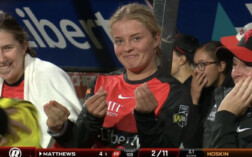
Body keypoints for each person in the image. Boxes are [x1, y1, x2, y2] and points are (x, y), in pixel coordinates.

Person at [44, 3, 190, 148]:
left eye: (136, 38)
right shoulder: (101, 83)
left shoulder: (176, 93)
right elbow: (80, 146)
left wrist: (146, 118)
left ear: (156, 39)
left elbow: (166, 151)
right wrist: (63, 127)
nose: (127, 48)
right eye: (119, 41)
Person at [0, 13, 82, 148]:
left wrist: (60, 128)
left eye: (8, 48)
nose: (2, 59)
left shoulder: (48, 74)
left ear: (23, 47)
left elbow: (79, 137)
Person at [182, 41, 234, 148]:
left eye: (202, 65)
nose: (196, 71)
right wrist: (194, 99)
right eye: (195, 65)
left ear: (221, 66)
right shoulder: (204, 92)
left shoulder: (234, 93)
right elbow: (191, 144)